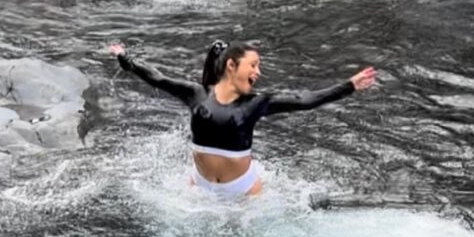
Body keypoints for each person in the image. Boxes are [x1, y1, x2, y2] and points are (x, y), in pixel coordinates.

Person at [108, 41, 376, 197]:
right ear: (231, 67)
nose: (258, 72)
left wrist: (349, 85)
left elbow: (304, 100)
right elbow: (157, 78)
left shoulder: (257, 103)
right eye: (254, 65)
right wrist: (125, 58)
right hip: (200, 186)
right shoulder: (196, 95)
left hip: (244, 192)